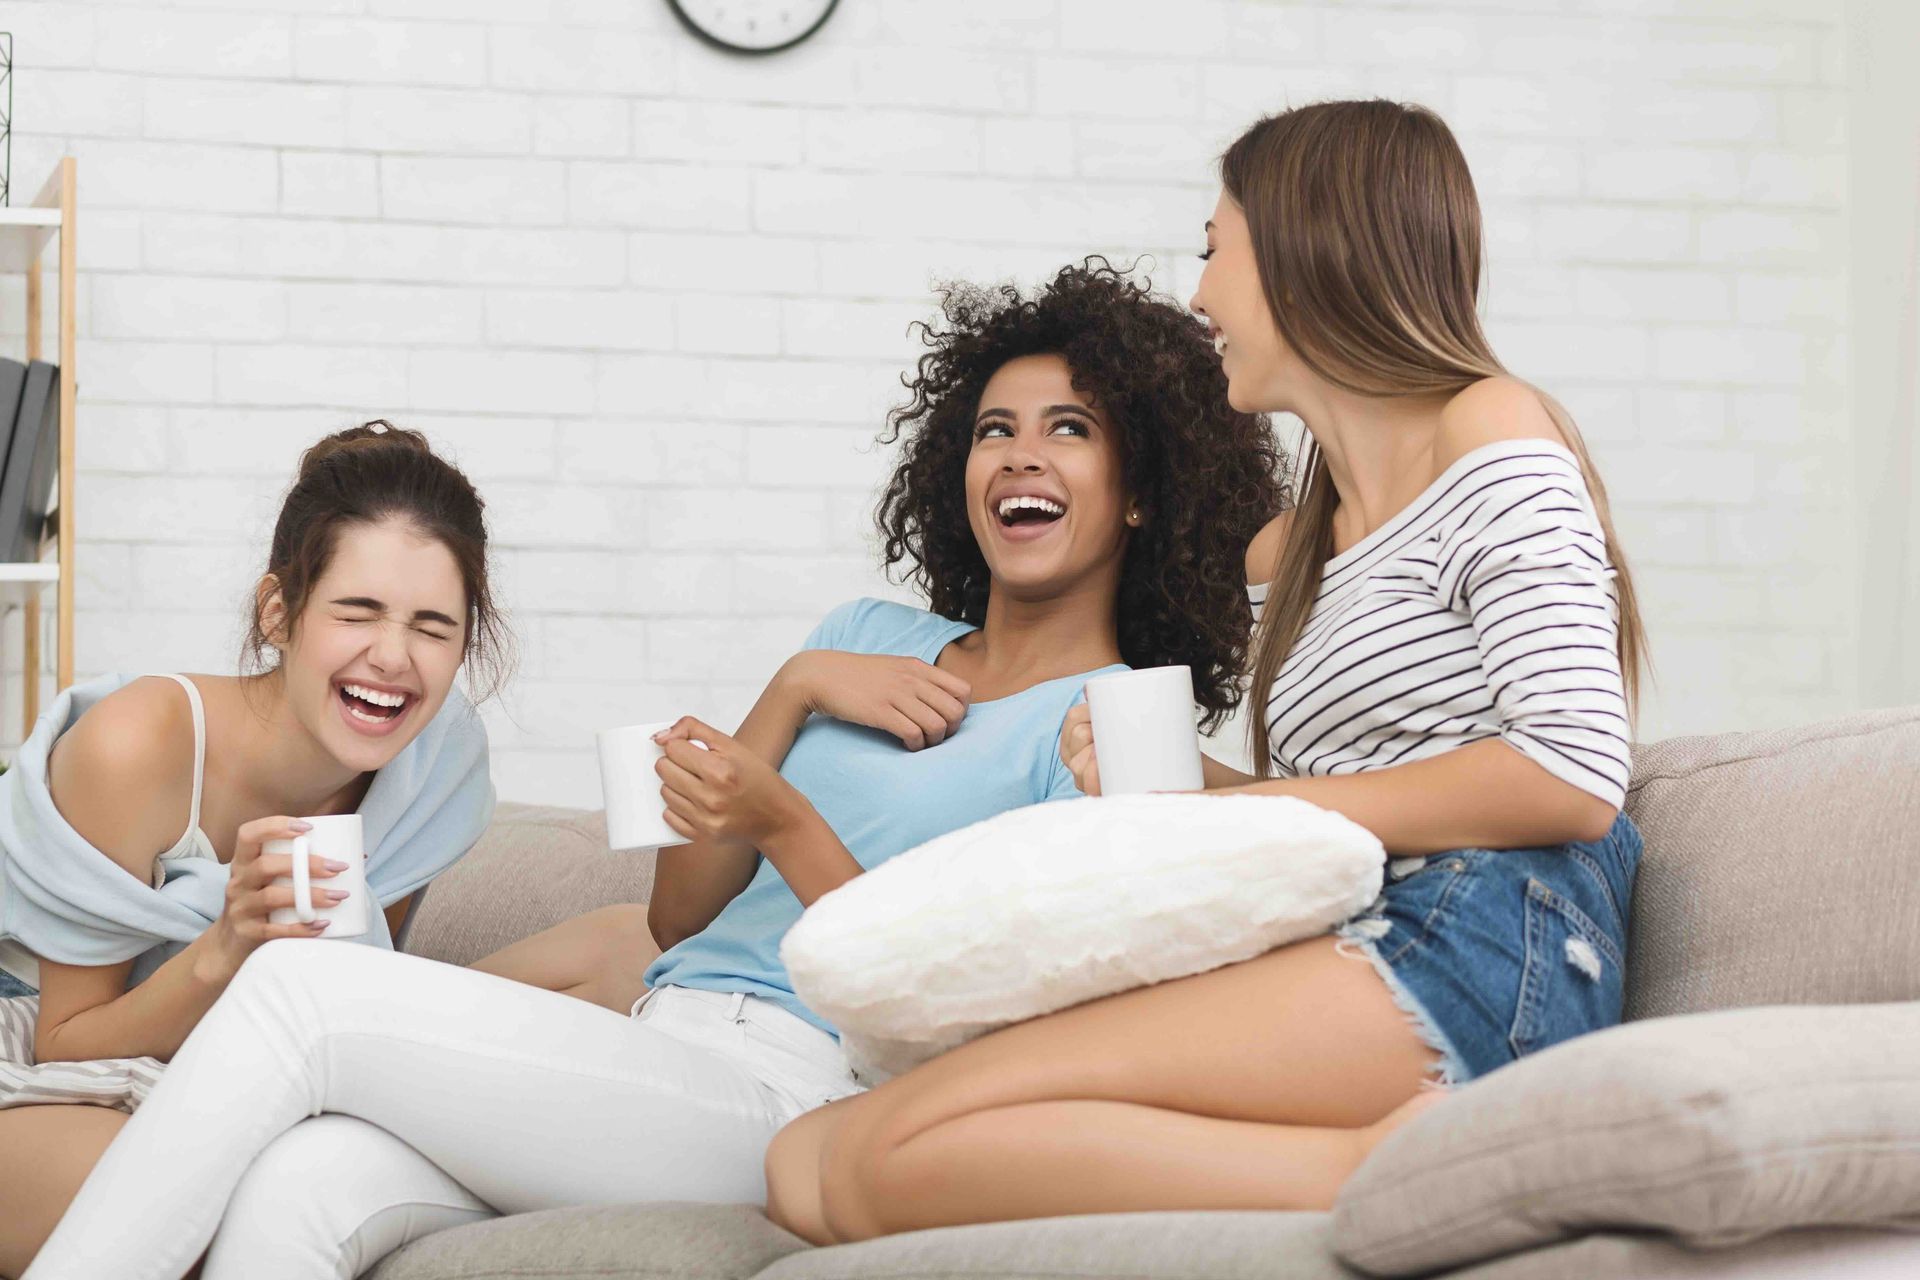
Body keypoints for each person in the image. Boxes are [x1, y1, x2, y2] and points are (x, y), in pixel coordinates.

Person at [22, 262, 1287, 1280]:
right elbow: (682, 915)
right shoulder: (860, 638)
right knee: (303, 1183)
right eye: (995, 426)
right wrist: (788, 690)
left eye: (1069, 429)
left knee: (304, 994)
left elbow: (944, 1027)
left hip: (802, 1086)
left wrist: (785, 815)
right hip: (656, 1037)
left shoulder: (1117, 732)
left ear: (1138, 491)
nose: (1020, 453)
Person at [761, 99, 1650, 1246]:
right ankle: (1393, 1160)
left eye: (1212, 248)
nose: (1198, 295)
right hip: (1367, 916)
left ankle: (1433, 1167)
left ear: (1304, 249)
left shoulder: (1489, 424)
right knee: (807, 1162)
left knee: (884, 1156)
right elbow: (1367, 798)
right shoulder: (1292, 548)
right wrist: (1194, 788)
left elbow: (1574, 770)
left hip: (1492, 936)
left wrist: (1255, 802)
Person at [0, 423, 504, 1279]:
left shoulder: (436, 757)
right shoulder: (139, 746)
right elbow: (65, 1043)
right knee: (201, 1214)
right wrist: (224, 950)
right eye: (357, 611)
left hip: (248, 1069)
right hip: (44, 1058)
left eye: (432, 627)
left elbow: (362, 988)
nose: (394, 657)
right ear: (280, 611)